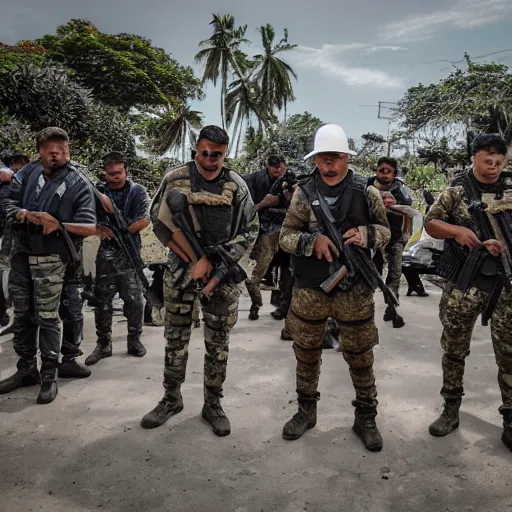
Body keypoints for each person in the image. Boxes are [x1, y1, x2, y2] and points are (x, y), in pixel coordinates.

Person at [141, 125, 258, 436]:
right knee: (175, 341)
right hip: (181, 273)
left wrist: (219, 260)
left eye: (217, 155)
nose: (210, 160)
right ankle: (171, 399)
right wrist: (195, 260)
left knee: (218, 343)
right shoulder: (175, 178)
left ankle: (213, 403)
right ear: (196, 151)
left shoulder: (236, 184)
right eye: (204, 153)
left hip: (222, 274)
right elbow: (159, 221)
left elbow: (251, 229)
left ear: (225, 153)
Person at [279, 124, 391, 452]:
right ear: (315, 160)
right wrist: (310, 241)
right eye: (323, 159)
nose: (329, 165)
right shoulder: (303, 192)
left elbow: (386, 230)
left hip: (354, 290)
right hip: (310, 289)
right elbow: (285, 235)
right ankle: (305, 411)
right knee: (306, 352)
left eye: (336, 158)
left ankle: (366, 417)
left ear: (345, 158)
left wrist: (367, 235)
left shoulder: (365, 191)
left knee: (359, 354)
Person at [425, 134, 512, 451]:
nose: (492, 168)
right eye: (487, 161)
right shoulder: (456, 190)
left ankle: (510, 419)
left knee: (509, 354)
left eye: (498, 162)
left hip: (505, 284)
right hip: (467, 282)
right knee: (454, 346)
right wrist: (459, 231)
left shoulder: (509, 187)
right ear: (474, 157)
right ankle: (450, 408)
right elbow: (431, 223)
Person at [0, 128, 96, 404]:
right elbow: (7, 201)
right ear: (40, 151)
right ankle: (26, 369)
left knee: (48, 317)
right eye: (50, 149)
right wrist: (22, 213)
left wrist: (57, 224)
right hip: (21, 253)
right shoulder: (27, 173)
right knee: (22, 314)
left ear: (68, 151)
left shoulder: (78, 182)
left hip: (52, 258)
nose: (56, 154)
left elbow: (89, 226)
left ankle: (50, 375)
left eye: (61, 149)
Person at [85, 152, 149, 366]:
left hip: (130, 252)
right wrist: (97, 229)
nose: (116, 177)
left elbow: (144, 219)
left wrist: (124, 230)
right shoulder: (97, 192)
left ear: (125, 171)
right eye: (111, 173)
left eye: (119, 172)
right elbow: (85, 216)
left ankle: (134, 340)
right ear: (105, 173)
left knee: (134, 300)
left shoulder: (137, 191)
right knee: (102, 300)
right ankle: (103, 344)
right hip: (106, 253)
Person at [369, 157, 413, 328]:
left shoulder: (400, 192)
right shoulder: (367, 187)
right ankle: (365, 308)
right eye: (382, 170)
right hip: (372, 239)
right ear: (377, 171)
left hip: (394, 239)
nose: (384, 174)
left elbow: (408, 213)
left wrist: (405, 236)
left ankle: (392, 308)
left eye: (389, 171)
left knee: (394, 274)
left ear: (394, 174)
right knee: (371, 274)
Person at [243, 155, 286, 320]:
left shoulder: (289, 179)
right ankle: (256, 303)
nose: (278, 171)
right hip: (265, 231)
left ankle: (282, 304)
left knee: (290, 271)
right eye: (275, 168)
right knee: (256, 275)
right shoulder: (253, 181)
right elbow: (247, 211)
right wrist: (265, 203)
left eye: (281, 168)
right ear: (268, 166)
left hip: (286, 231)